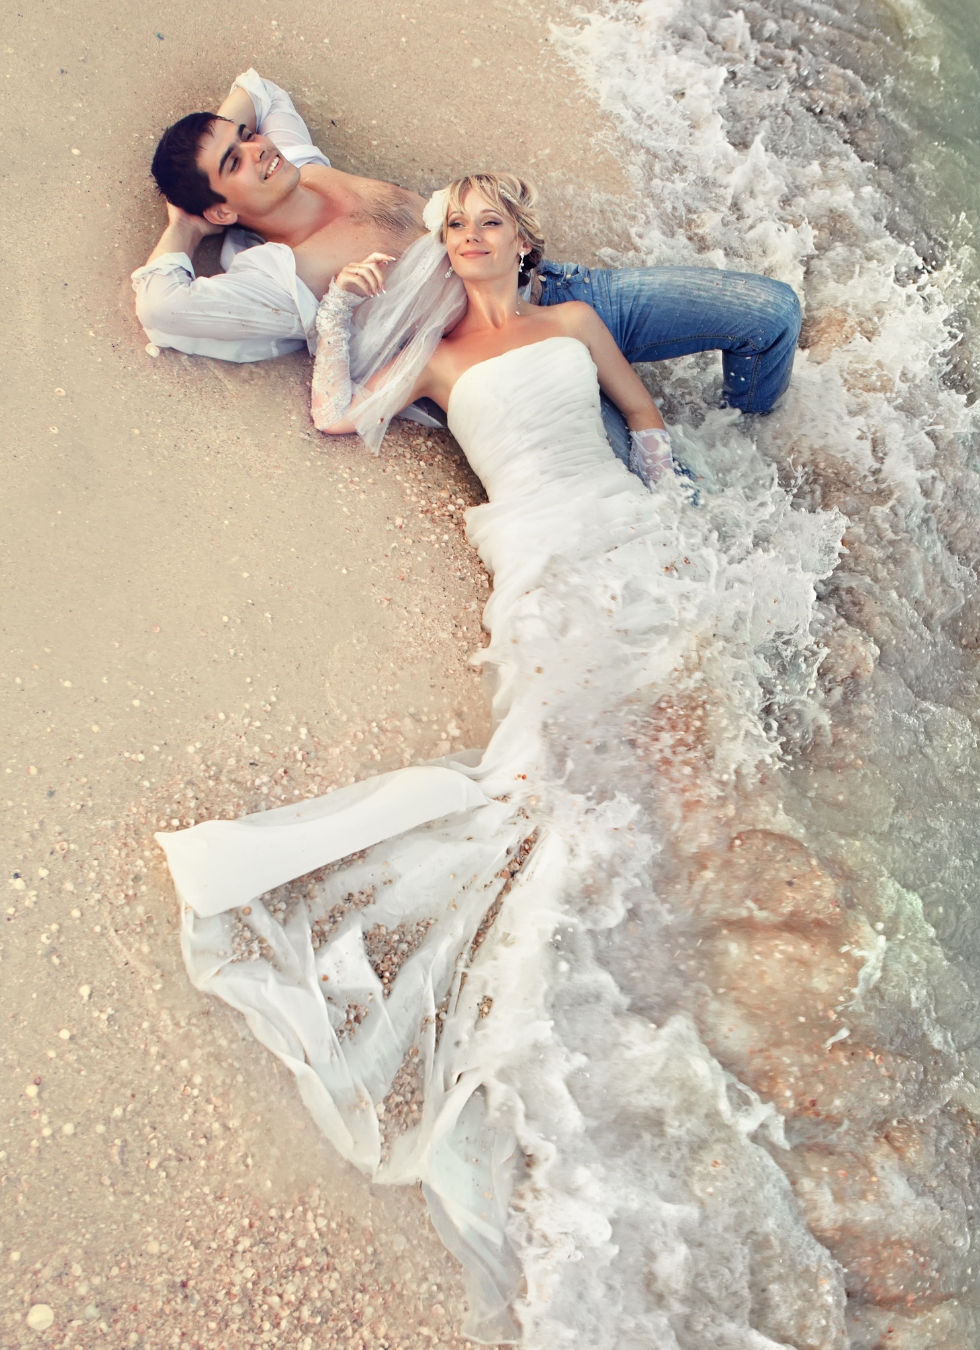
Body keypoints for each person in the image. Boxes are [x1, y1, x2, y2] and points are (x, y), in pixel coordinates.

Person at [156, 173, 822, 1344]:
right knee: (551, 782)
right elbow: (334, 417)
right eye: (453, 224)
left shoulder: (573, 320)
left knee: (687, 714)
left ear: (523, 239)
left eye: (489, 222)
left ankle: (720, 907)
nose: (469, 237)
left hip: (621, 522)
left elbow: (647, 422)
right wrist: (336, 314)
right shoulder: (435, 351)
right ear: (441, 244)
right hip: (537, 553)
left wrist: (676, 521)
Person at [134, 70, 801, 464]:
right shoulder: (280, 275)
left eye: (245, 140)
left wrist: (221, 143)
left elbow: (255, 85)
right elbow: (162, 307)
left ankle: (748, 435)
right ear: (221, 211)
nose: (257, 152)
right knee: (664, 515)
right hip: (510, 378)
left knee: (772, 314)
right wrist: (182, 224)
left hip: (560, 297)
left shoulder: (307, 166)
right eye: (233, 164)